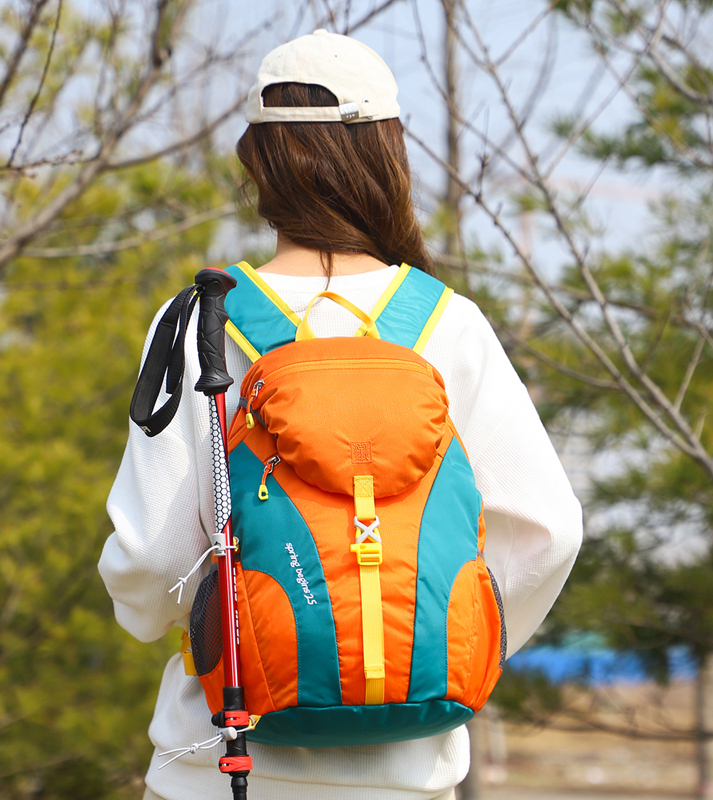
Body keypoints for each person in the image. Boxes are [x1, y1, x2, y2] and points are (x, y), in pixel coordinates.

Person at [98, 29, 583, 800]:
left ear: (258, 161)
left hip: (222, 761)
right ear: (390, 156)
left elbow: (155, 561)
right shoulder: (446, 323)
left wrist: (202, 631)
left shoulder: (207, 319)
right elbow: (548, 531)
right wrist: (437, 646)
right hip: (407, 775)